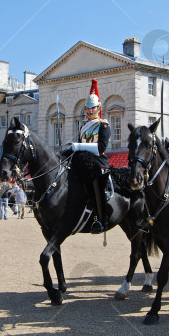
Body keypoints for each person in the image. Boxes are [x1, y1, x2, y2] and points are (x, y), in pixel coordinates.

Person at [68, 79, 111, 233]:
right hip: (83, 160)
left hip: (98, 161)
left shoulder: (103, 125)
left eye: (92, 108)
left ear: (98, 108)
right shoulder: (83, 127)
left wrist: (78, 146)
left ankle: (101, 219)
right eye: (87, 108)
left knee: (96, 183)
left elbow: (101, 148)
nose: (89, 111)